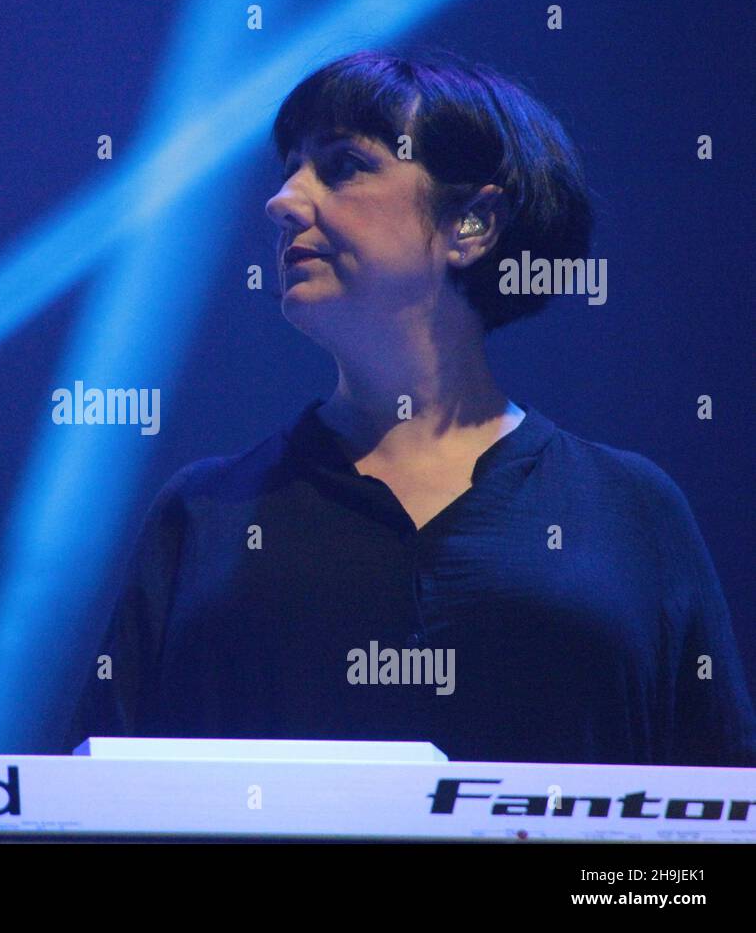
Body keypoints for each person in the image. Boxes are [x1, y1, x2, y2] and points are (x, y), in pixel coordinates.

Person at [65, 50, 756, 767]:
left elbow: (712, 818)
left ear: (474, 224)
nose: (283, 201)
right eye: (289, 169)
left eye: (342, 166)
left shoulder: (630, 509)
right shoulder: (204, 513)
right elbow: (87, 805)